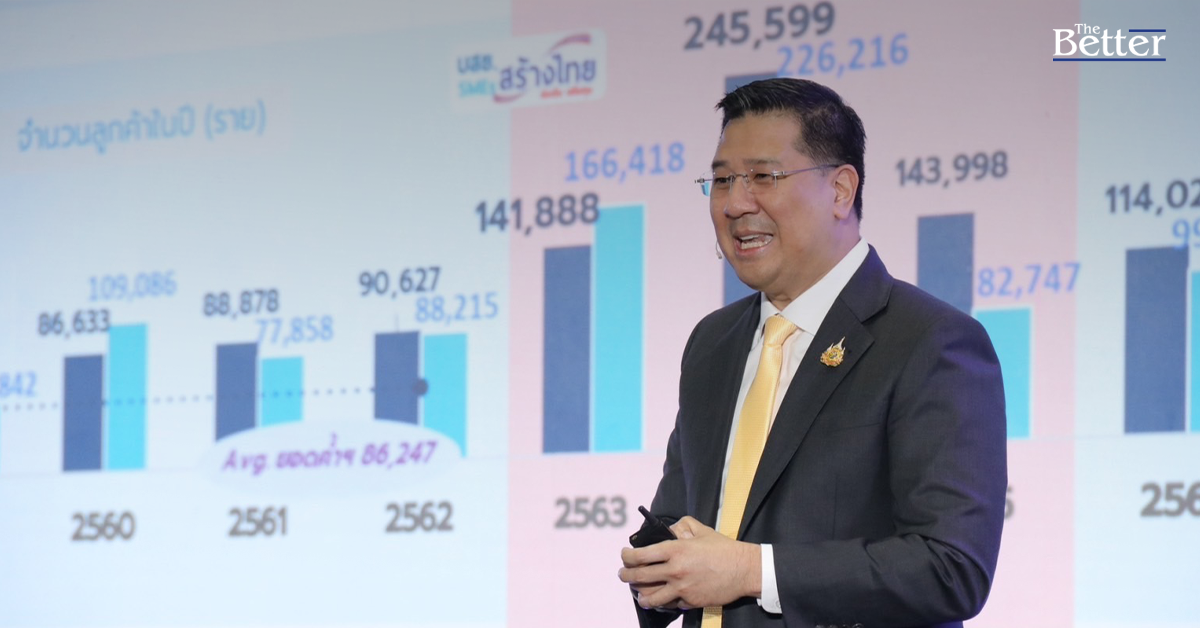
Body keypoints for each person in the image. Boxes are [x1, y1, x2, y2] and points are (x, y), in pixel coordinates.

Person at [617, 78, 1007, 628]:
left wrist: (752, 571)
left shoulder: (929, 340)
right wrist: (657, 569)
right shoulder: (712, 343)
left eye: (763, 177)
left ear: (841, 190)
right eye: (722, 180)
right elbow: (681, 521)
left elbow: (951, 568)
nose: (735, 204)